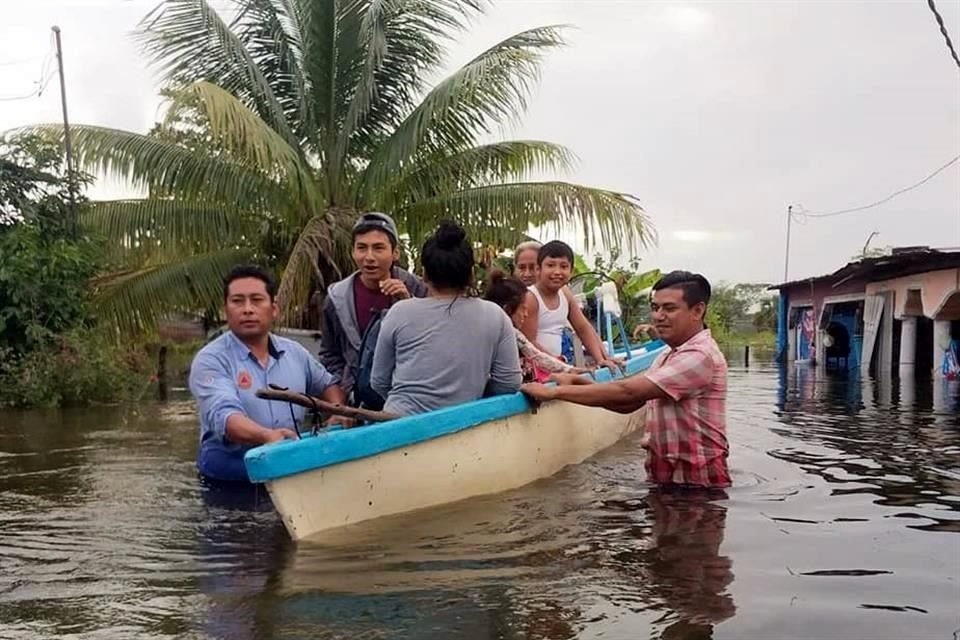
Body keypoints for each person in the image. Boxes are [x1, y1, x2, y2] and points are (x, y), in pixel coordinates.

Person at [521, 270, 731, 489]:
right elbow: (630, 404)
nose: (658, 316)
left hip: (699, 481)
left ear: (697, 310)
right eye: (655, 308)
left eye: (669, 308)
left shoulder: (699, 356)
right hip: (669, 478)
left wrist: (554, 392)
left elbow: (628, 392)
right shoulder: (667, 355)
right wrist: (578, 383)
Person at [189, 265, 349, 484]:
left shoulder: (295, 353)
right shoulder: (211, 360)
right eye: (237, 301)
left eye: (256, 300)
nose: (247, 309)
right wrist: (266, 436)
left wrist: (337, 411)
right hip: (230, 473)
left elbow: (328, 384)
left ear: (274, 309)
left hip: (286, 462)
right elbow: (226, 417)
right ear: (225, 310)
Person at [371, 222, 522, 415]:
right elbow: (509, 383)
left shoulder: (399, 312)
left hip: (399, 426)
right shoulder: (495, 315)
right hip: (461, 427)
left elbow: (378, 381)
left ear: (424, 274)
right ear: (471, 274)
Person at [319, 212, 429, 400]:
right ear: (353, 252)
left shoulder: (418, 289)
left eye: (378, 248)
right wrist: (344, 391)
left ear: (395, 253)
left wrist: (408, 303)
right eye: (362, 248)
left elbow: (431, 344)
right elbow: (329, 354)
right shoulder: (337, 298)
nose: (369, 257)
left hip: (406, 397)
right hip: (355, 401)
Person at [521, 240, 622, 371]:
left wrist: (602, 359)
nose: (557, 272)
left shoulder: (565, 293)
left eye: (563, 266)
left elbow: (583, 328)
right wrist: (563, 367)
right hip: (535, 369)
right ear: (538, 269)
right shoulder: (531, 298)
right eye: (550, 265)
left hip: (557, 365)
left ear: (571, 271)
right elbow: (528, 344)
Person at [483, 270, 591, 382]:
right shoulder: (491, 336)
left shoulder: (516, 335)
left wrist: (569, 370)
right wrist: (568, 370)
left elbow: (536, 355)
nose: (526, 313)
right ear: (507, 309)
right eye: (523, 309)